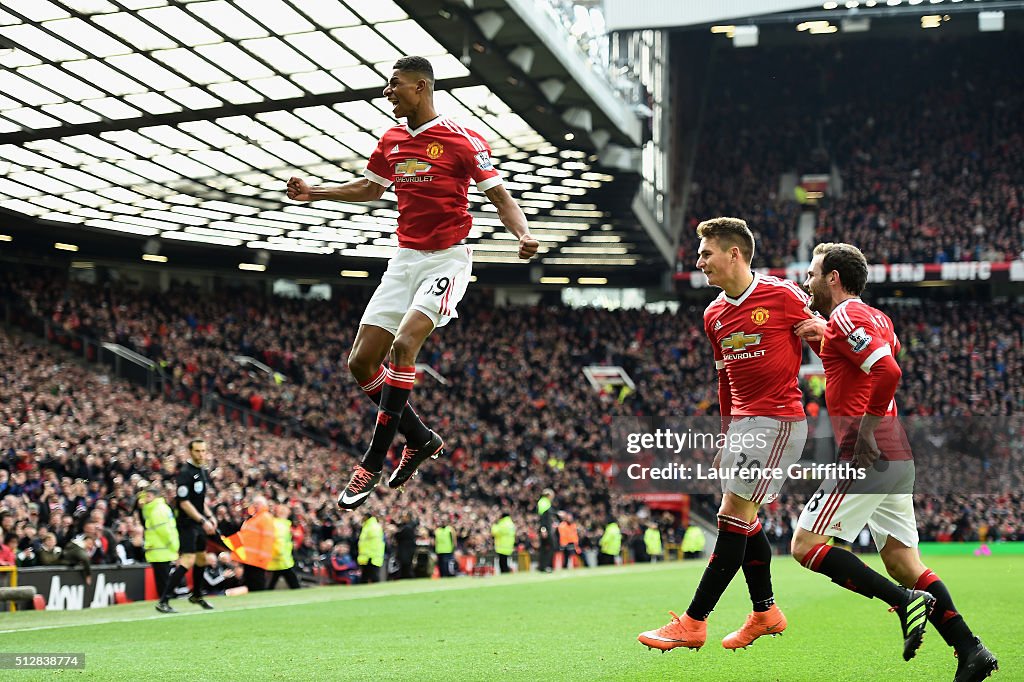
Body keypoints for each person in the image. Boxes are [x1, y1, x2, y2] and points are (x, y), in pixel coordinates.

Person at [286, 56, 538, 510]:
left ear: (420, 87)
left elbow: (501, 198)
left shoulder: (462, 140)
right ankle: (420, 439)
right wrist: (314, 192)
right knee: (360, 363)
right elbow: (369, 189)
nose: (388, 92)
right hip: (404, 259)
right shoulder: (392, 140)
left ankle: (373, 461)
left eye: (394, 84)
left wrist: (522, 234)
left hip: (447, 259)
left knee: (404, 346)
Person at [791, 242, 997, 677]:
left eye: (812, 273)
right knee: (904, 563)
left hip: (868, 451)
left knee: (804, 546)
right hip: (897, 453)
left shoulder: (847, 315)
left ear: (833, 278)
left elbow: (889, 373)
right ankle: (970, 648)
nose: (807, 281)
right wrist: (825, 338)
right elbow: (864, 367)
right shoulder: (873, 318)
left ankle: (905, 603)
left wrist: (864, 431)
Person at [639, 217, 813, 652]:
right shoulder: (713, 313)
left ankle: (694, 622)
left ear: (734, 253)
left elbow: (828, 338)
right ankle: (765, 611)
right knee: (745, 521)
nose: (699, 261)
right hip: (743, 425)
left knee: (731, 516)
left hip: (777, 421)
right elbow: (724, 382)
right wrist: (725, 436)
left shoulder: (784, 295)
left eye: (706, 253)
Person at [157, 439, 216, 613]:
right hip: (187, 523)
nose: (201, 454)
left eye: (204, 451)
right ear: (190, 452)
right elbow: (184, 503)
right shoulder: (185, 473)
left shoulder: (202, 471)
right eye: (198, 451)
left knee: (202, 559)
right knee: (188, 559)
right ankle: (164, 600)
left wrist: (210, 516)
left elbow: (199, 500)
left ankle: (196, 594)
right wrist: (203, 521)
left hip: (198, 522)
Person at [139, 480, 179, 599]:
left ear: (155, 497)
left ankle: (165, 599)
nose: (145, 498)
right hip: (160, 550)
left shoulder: (157, 510)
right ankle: (165, 598)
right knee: (162, 578)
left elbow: (164, 531)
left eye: (148, 496)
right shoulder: (154, 508)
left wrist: (172, 546)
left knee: (163, 579)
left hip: (162, 549)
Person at [267, 504, 300, 590]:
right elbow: (279, 541)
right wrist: (280, 554)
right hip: (282, 559)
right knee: (293, 582)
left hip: (280, 559)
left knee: (272, 582)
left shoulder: (280, 524)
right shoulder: (280, 525)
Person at [357, 511, 385, 584]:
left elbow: (374, 541)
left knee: (373, 575)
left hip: (371, 555)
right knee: (365, 575)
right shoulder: (368, 526)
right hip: (368, 555)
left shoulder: (372, 526)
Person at [536, 489, 556, 573]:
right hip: (546, 529)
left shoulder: (542, 502)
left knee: (544, 547)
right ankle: (546, 565)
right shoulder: (545, 503)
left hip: (546, 528)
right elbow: (543, 518)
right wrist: (543, 529)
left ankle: (542, 566)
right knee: (551, 546)